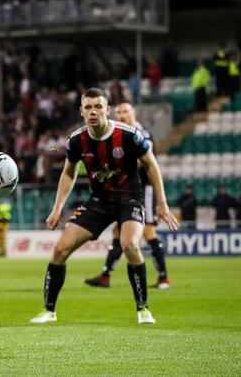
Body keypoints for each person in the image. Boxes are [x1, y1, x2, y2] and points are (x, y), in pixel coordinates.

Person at [29, 88, 178, 326]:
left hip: (130, 199)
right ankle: (49, 310)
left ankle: (143, 309)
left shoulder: (129, 135)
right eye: (88, 107)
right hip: (99, 201)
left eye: (98, 106)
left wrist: (162, 203)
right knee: (59, 250)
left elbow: (151, 164)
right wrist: (57, 208)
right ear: (81, 111)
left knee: (130, 245)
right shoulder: (76, 140)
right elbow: (69, 171)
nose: (93, 111)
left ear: (107, 110)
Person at [84, 101, 171, 289]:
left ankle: (164, 278)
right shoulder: (118, 134)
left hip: (143, 189)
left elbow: (144, 162)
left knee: (148, 232)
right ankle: (105, 276)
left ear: (134, 113)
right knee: (117, 232)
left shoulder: (142, 134)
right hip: (124, 192)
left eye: (126, 111)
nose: (122, 114)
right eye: (119, 112)